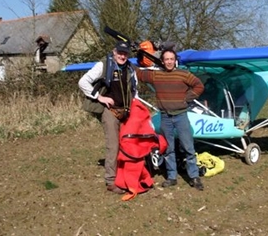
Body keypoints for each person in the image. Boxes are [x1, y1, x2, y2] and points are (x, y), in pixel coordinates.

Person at [135, 49, 205, 191]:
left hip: (181, 116)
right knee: (168, 148)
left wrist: (187, 98)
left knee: (188, 147)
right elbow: (139, 73)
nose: (169, 62)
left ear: (175, 60)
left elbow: (199, 86)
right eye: (166, 59)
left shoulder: (183, 74)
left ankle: (194, 177)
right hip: (165, 116)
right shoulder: (156, 75)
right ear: (162, 60)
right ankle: (172, 177)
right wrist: (135, 57)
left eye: (171, 59)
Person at [78, 41, 138, 194]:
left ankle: (126, 174)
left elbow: (135, 90)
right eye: (120, 52)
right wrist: (100, 97)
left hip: (126, 111)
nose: (122, 56)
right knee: (113, 145)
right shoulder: (103, 65)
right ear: (114, 52)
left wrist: (135, 107)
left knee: (128, 142)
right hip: (109, 111)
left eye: (125, 53)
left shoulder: (131, 68)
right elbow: (83, 82)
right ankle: (111, 180)